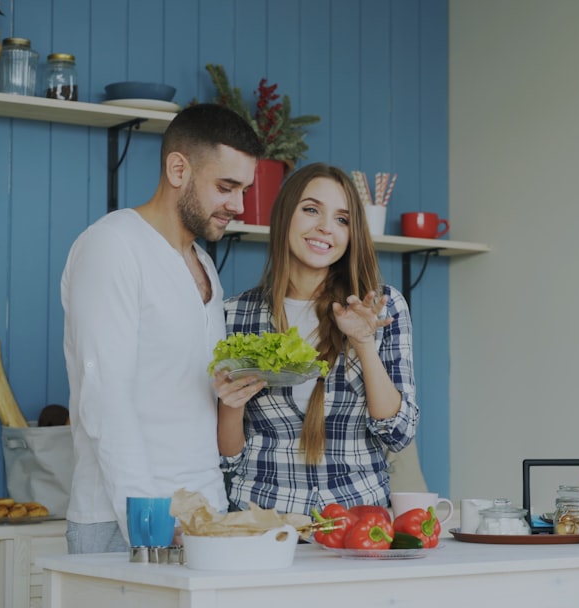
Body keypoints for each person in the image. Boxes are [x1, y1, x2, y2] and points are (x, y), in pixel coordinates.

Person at [60, 104, 264, 554]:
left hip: (202, 519)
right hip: (124, 524)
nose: (238, 206)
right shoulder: (112, 246)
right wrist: (149, 524)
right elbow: (104, 397)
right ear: (178, 169)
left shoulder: (204, 263)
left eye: (244, 190)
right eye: (226, 187)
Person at [216, 162, 420, 515]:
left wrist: (364, 343)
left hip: (358, 525)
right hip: (260, 522)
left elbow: (398, 434)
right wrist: (231, 405)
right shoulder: (233, 314)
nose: (326, 227)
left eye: (342, 219)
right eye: (311, 210)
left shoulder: (380, 306)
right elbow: (228, 460)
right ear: (284, 216)